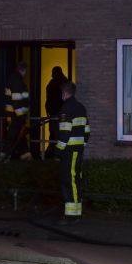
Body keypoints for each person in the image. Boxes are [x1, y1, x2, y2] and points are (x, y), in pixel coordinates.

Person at [54, 81, 89, 224]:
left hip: (69, 152)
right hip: (78, 150)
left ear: (64, 93)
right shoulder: (81, 107)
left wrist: (58, 151)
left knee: (69, 180)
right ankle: (76, 213)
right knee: (75, 180)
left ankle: (71, 216)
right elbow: (87, 131)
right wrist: (81, 145)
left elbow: (64, 133)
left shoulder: (66, 109)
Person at [3, 60, 31, 160]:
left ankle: (25, 156)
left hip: (14, 115)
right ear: (24, 70)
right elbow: (17, 101)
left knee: (19, 136)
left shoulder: (15, 79)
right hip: (15, 116)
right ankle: (5, 157)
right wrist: (21, 117)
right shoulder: (17, 81)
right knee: (13, 137)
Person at [43, 66, 68, 158]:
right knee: (59, 133)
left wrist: (48, 109)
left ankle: (53, 153)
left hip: (55, 113)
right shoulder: (65, 82)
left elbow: (49, 98)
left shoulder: (53, 84)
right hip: (61, 113)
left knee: (54, 133)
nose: (52, 75)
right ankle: (57, 152)